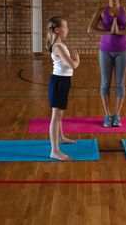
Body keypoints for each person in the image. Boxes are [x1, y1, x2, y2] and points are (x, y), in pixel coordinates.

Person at [87, 0, 126, 128]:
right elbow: (90, 29)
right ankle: (107, 115)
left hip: (122, 50)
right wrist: (108, 32)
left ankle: (117, 115)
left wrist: (120, 32)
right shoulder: (101, 11)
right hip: (105, 50)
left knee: (120, 83)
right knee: (105, 83)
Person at [46, 16, 80, 160]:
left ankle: (60, 138)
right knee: (56, 116)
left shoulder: (59, 45)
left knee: (59, 114)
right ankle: (54, 150)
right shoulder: (59, 47)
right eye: (65, 27)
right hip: (59, 82)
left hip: (62, 81)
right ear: (58, 30)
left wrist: (74, 59)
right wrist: (77, 59)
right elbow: (73, 65)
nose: (67, 30)